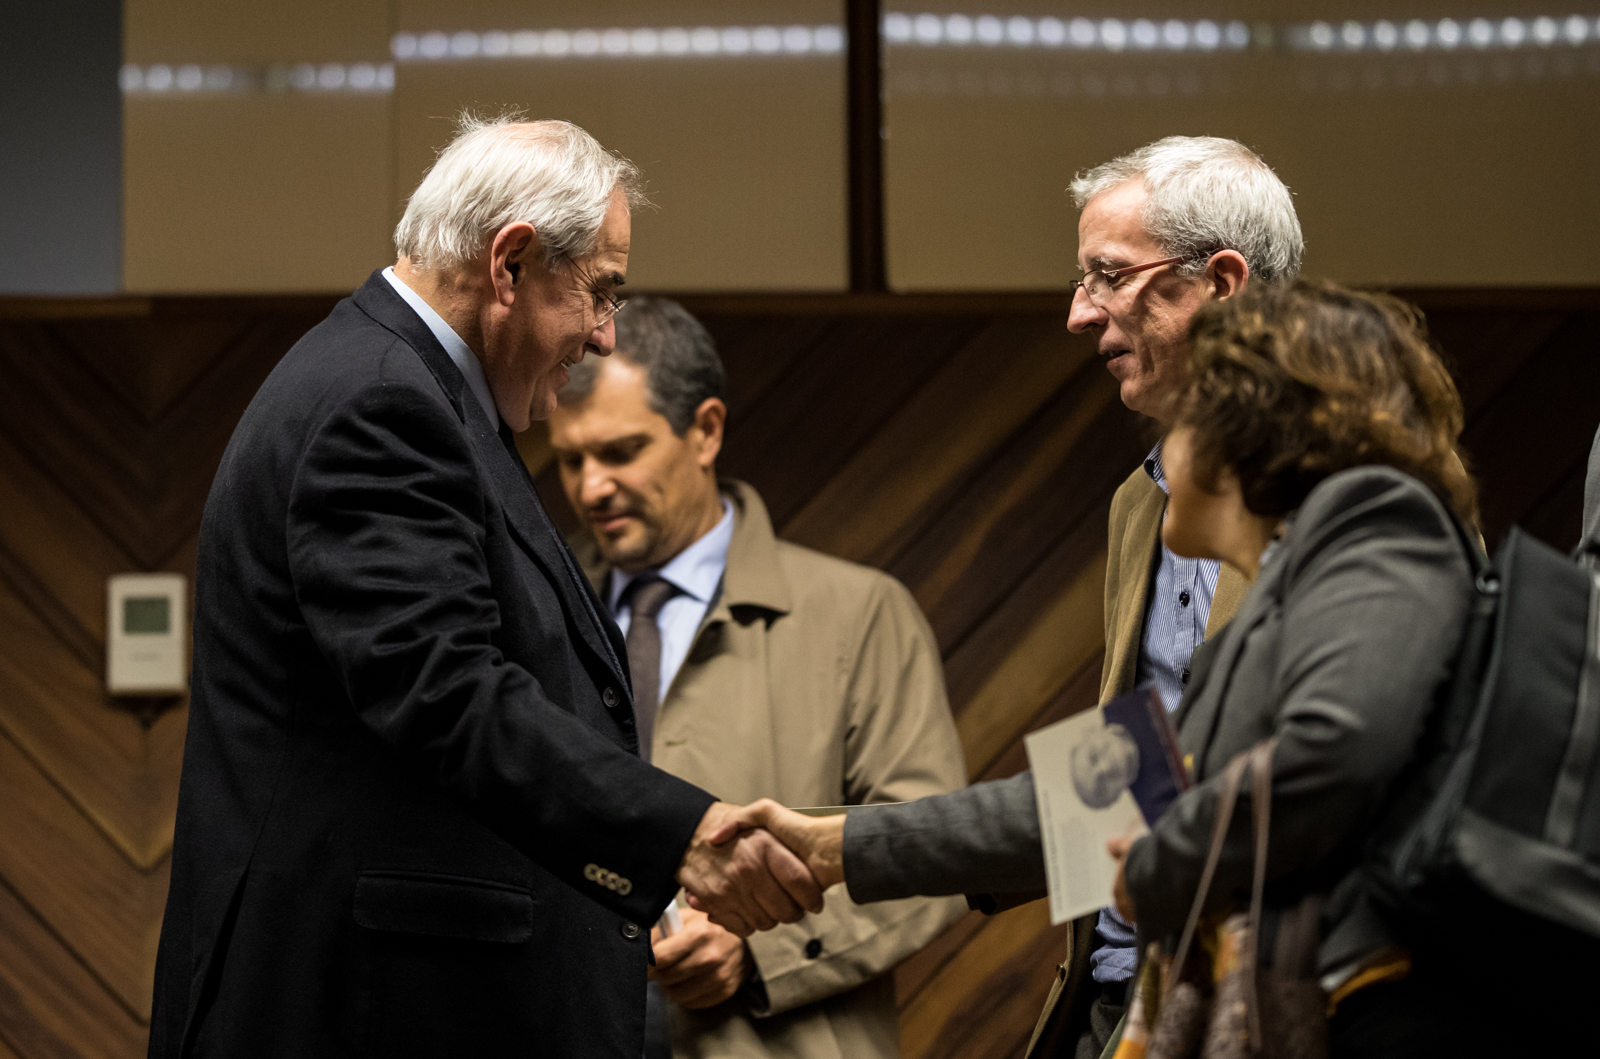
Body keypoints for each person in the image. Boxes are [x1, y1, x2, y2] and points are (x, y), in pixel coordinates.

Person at [148, 117, 822, 1059]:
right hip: (354, 1012)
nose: (603, 333)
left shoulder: (409, 387)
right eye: (599, 292)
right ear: (509, 264)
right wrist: (684, 833)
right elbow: (447, 691)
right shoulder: (379, 402)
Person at [719, 136, 1305, 1059]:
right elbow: (1122, 789)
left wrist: (843, 847)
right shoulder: (1138, 504)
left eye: (1108, 276)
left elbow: (1224, 793)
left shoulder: (1363, 511)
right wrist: (847, 845)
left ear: (1221, 283)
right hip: (1119, 1008)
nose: (1078, 313)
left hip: (1256, 1018)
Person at [547, 297, 969, 1059]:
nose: (591, 487)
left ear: (706, 430)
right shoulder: (535, 612)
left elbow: (933, 855)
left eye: (621, 451)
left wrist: (759, 955)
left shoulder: (859, 615)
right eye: (572, 459)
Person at [1108, 279, 1479, 1057]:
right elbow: (1107, 794)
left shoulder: (1378, 532)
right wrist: (848, 845)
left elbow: (1336, 750)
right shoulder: (1263, 608)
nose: (1162, 455)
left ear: (1248, 430)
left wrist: (1159, 860)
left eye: (1184, 419)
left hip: (1371, 1013)